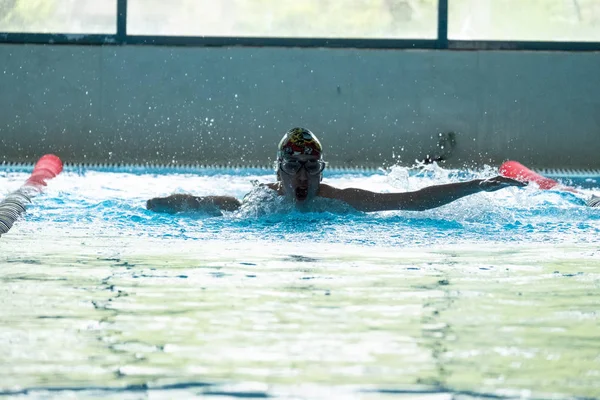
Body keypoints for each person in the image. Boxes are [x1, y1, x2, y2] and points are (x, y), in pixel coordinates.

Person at [146, 127, 526, 214]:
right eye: (293, 168)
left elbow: (411, 200)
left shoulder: (339, 202)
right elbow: (204, 206)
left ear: (322, 173)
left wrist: (477, 185)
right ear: (278, 172)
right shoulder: (258, 202)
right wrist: (168, 202)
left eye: (311, 169)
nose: (302, 178)